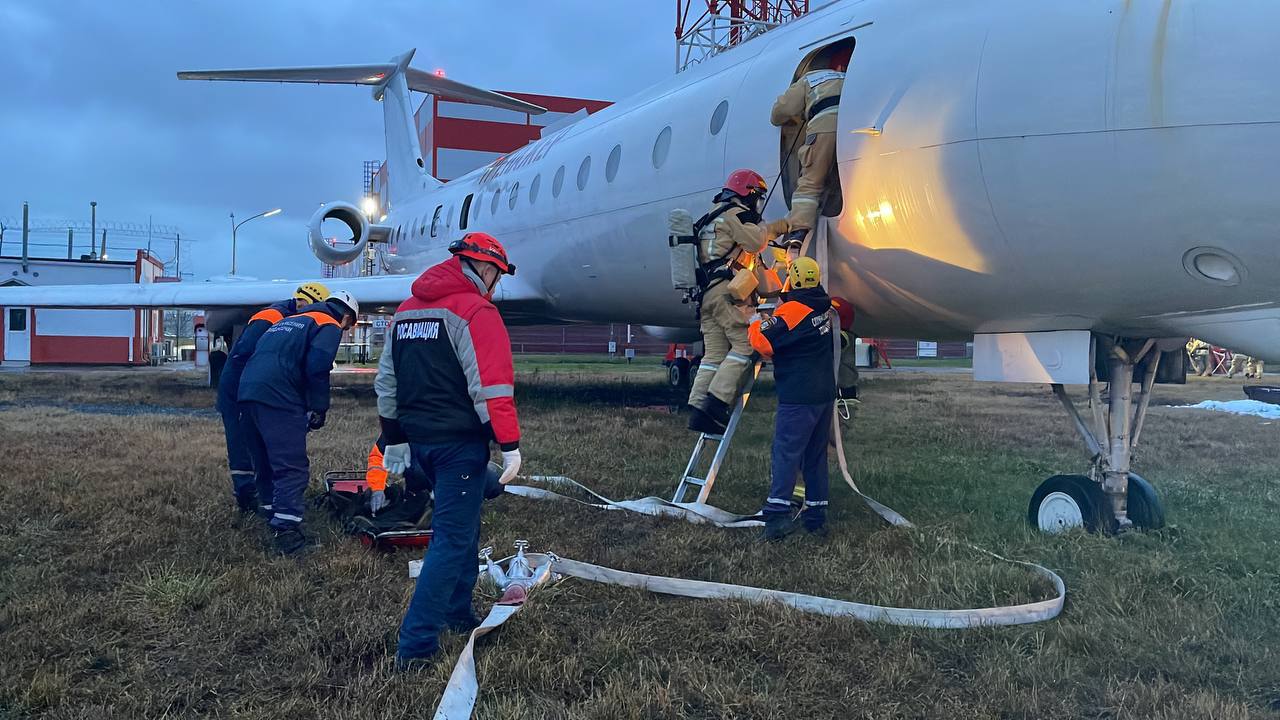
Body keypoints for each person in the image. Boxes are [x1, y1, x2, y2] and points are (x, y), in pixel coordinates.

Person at [374, 232, 523, 668]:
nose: (494, 283)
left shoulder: (405, 312)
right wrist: (509, 445)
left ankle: (458, 613)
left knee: (466, 526)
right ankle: (416, 647)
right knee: (452, 541)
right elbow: (492, 387)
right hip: (458, 446)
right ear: (488, 268)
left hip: (419, 444)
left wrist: (394, 436)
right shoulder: (477, 311)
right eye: (496, 274)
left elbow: (387, 383)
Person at [238, 289, 359, 554]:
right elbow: (317, 366)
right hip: (279, 396)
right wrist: (318, 407)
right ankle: (287, 534)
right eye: (350, 325)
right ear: (347, 316)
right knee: (291, 466)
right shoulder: (328, 323)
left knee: (265, 461)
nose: (347, 330)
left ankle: (270, 513)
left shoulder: (287, 321)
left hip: (247, 392)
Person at [687, 169, 785, 435]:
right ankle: (716, 404)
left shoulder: (710, 218)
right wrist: (775, 227)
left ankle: (698, 409)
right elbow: (755, 242)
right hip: (727, 294)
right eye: (758, 198)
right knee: (746, 344)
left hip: (708, 296)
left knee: (714, 355)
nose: (758, 204)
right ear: (749, 194)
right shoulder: (735, 215)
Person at [216, 282, 329, 513]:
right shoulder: (272, 317)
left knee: (258, 446)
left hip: (249, 389)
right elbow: (245, 355)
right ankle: (248, 498)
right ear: (306, 302)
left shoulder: (285, 316)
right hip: (240, 390)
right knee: (243, 445)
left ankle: (265, 501)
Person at [748, 256, 836, 541]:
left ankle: (776, 516)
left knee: (786, 453)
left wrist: (753, 322)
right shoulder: (823, 304)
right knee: (815, 455)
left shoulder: (794, 310)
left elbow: (764, 341)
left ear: (794, 279)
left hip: (799, 395)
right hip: (823, 395)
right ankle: (816, 515)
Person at [770, 46, 850, 243]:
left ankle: (798, 230)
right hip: (851, 126)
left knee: (810, 182)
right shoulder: (846, 78)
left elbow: (779, 112)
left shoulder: (810, 79)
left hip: (824, 126)